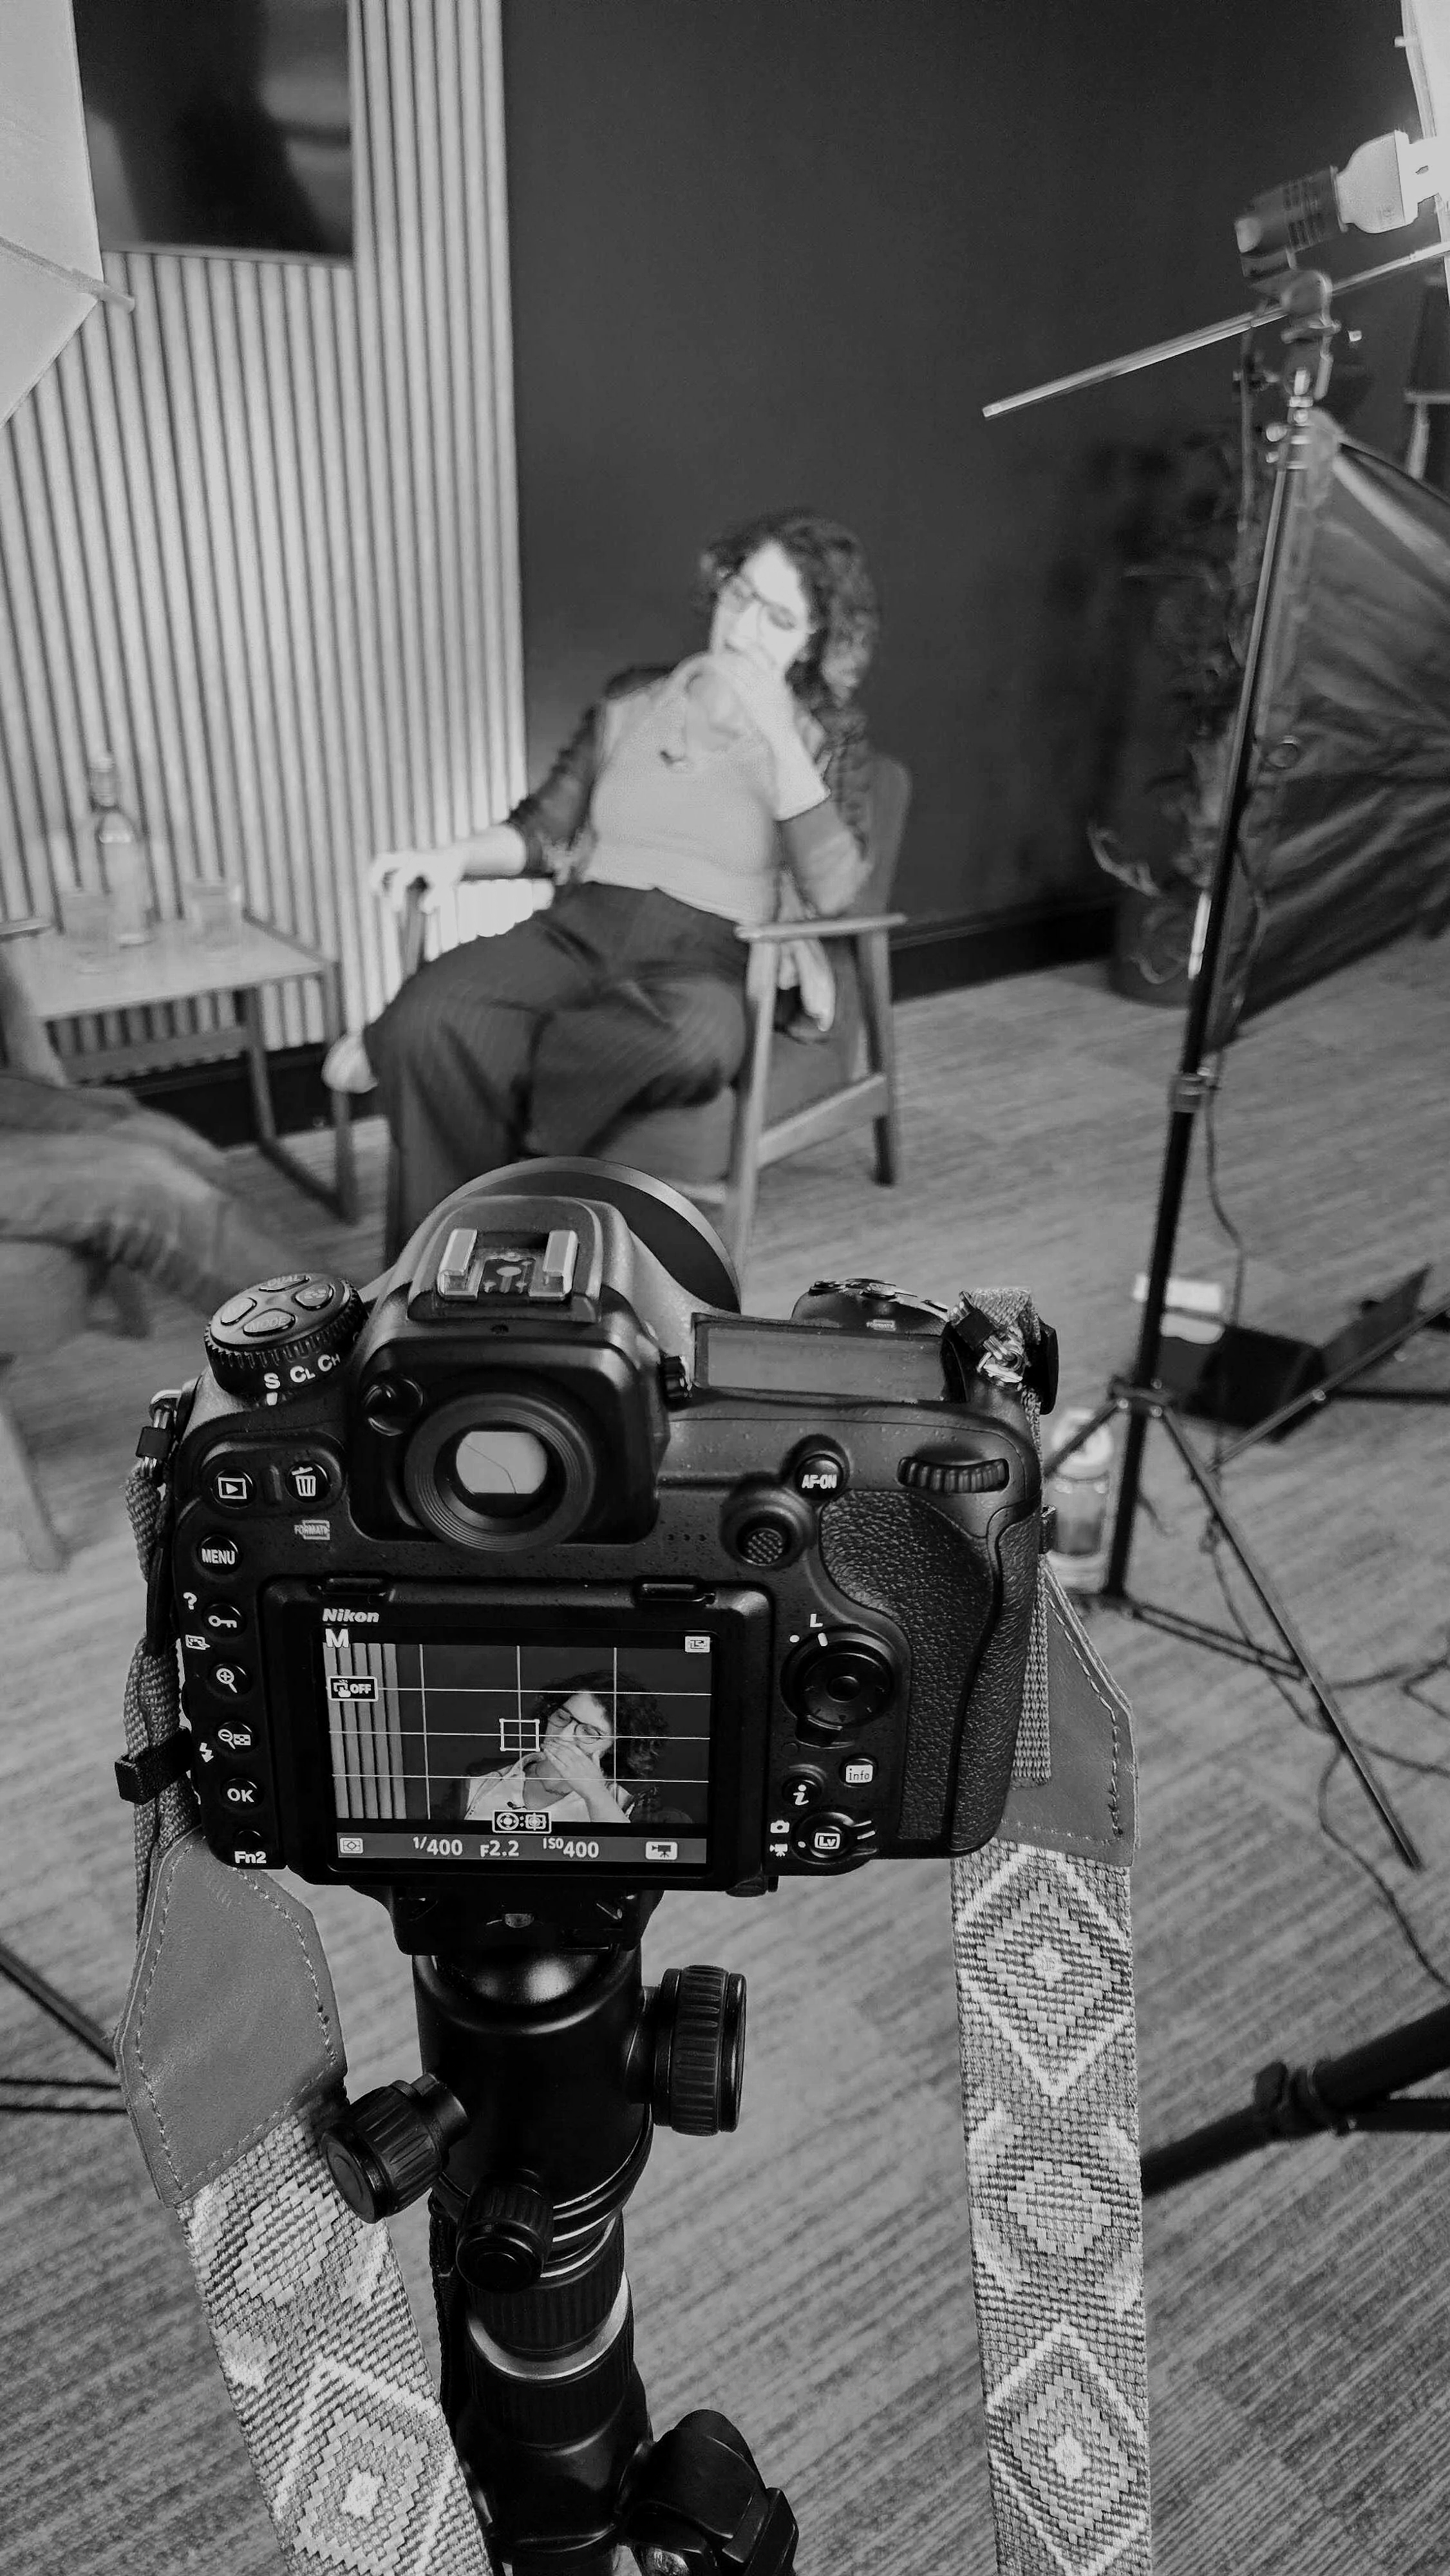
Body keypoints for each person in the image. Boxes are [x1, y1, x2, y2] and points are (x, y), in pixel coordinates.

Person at [325, 509, 879, 1241]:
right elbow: (543, 827)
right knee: (432, 1016)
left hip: (712, 953)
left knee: (695, 1043)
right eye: (739, 595)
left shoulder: (828, 735)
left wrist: (775, 726)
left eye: (776, 618)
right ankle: (427, 1287)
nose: (744, 629)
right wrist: (449, 858)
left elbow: (838, 888)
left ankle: (510, 1189)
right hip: (582, 924)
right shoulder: (635, 699)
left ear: (812, 639)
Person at [458, 1674, 688, 1831]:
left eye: (589, 1732)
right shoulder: (482, 1778)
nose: (564, 1735)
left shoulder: (631, 1803)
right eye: (562, 1717)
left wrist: (595, 1794)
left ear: (614, 1746)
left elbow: (633, 1886)